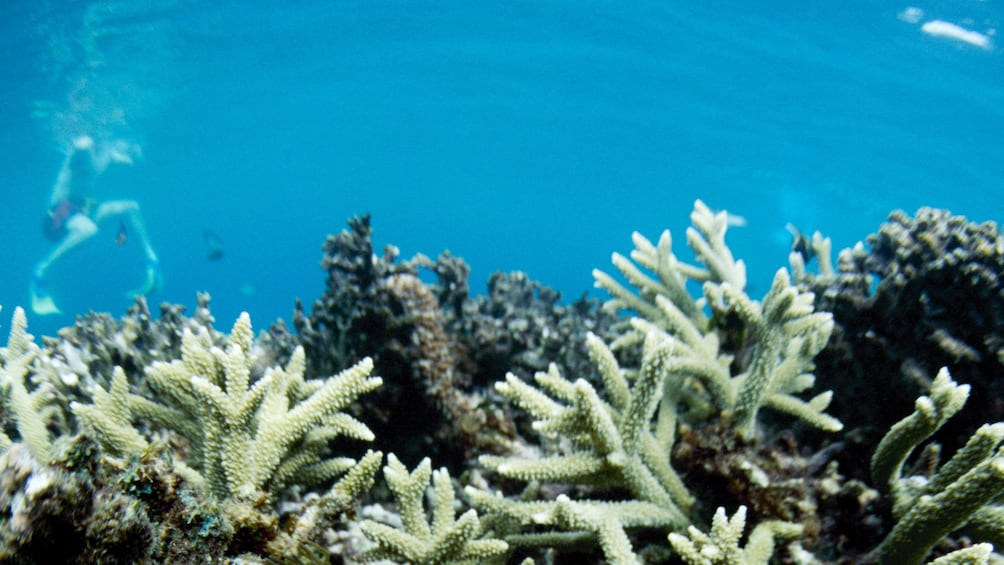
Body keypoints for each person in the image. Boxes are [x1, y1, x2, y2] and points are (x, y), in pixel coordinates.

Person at [31, 135, 161, 315]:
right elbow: (82, 144)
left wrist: (130, 153)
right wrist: (85, 140)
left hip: (84, 208)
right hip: (59, 214)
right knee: (89, 230)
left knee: (131, 207)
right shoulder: (84, 148)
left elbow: (122, 153)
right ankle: (41, 269)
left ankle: (151, 261)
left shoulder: (107, 150)